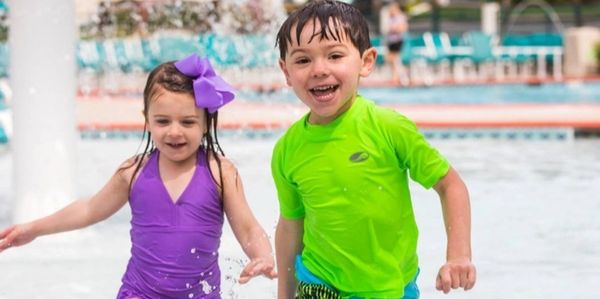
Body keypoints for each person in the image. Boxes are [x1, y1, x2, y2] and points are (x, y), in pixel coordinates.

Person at [0, 54, 277, 298]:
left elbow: (248, 228)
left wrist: (261, 256)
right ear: (147, 119)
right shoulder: (133, 172)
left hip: (200, 295)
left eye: (188, 122)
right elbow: (88, 210)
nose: (174, 131)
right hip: (139, 292)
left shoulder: (220, 172)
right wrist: (32, 229)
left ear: (206, 123)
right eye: (162, 121)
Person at [272, 1, 476, 298]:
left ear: (366, 62)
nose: (319, 70)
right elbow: (291, 226)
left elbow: (451, 185)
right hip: (318, 285)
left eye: (335, 56)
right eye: (303, 61)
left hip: (390, 288)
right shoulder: (287, 149)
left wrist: (458, 256)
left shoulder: (387, 127)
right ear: (286, 71)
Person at [381, 1, 408, 84]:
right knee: (390, 59)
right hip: (391, 41)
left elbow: (402, 28)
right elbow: (387, 29)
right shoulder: (390, 18)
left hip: (397, 41)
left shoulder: (400, 17)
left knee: (394, 59)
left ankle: (400, 76)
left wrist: (394, 29)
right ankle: (396, 76)